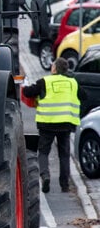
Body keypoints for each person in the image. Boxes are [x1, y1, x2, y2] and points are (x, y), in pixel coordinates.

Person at [22, 57, 82, 193]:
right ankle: (65, 185)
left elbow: (27, 92)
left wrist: (25, 86)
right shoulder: (72, 83)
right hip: (65, 124)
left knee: (43, 152)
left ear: (54, 69)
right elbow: (83, 95)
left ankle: (45, 175)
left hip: (47, 124)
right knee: (64, 155)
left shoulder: (45, 81)